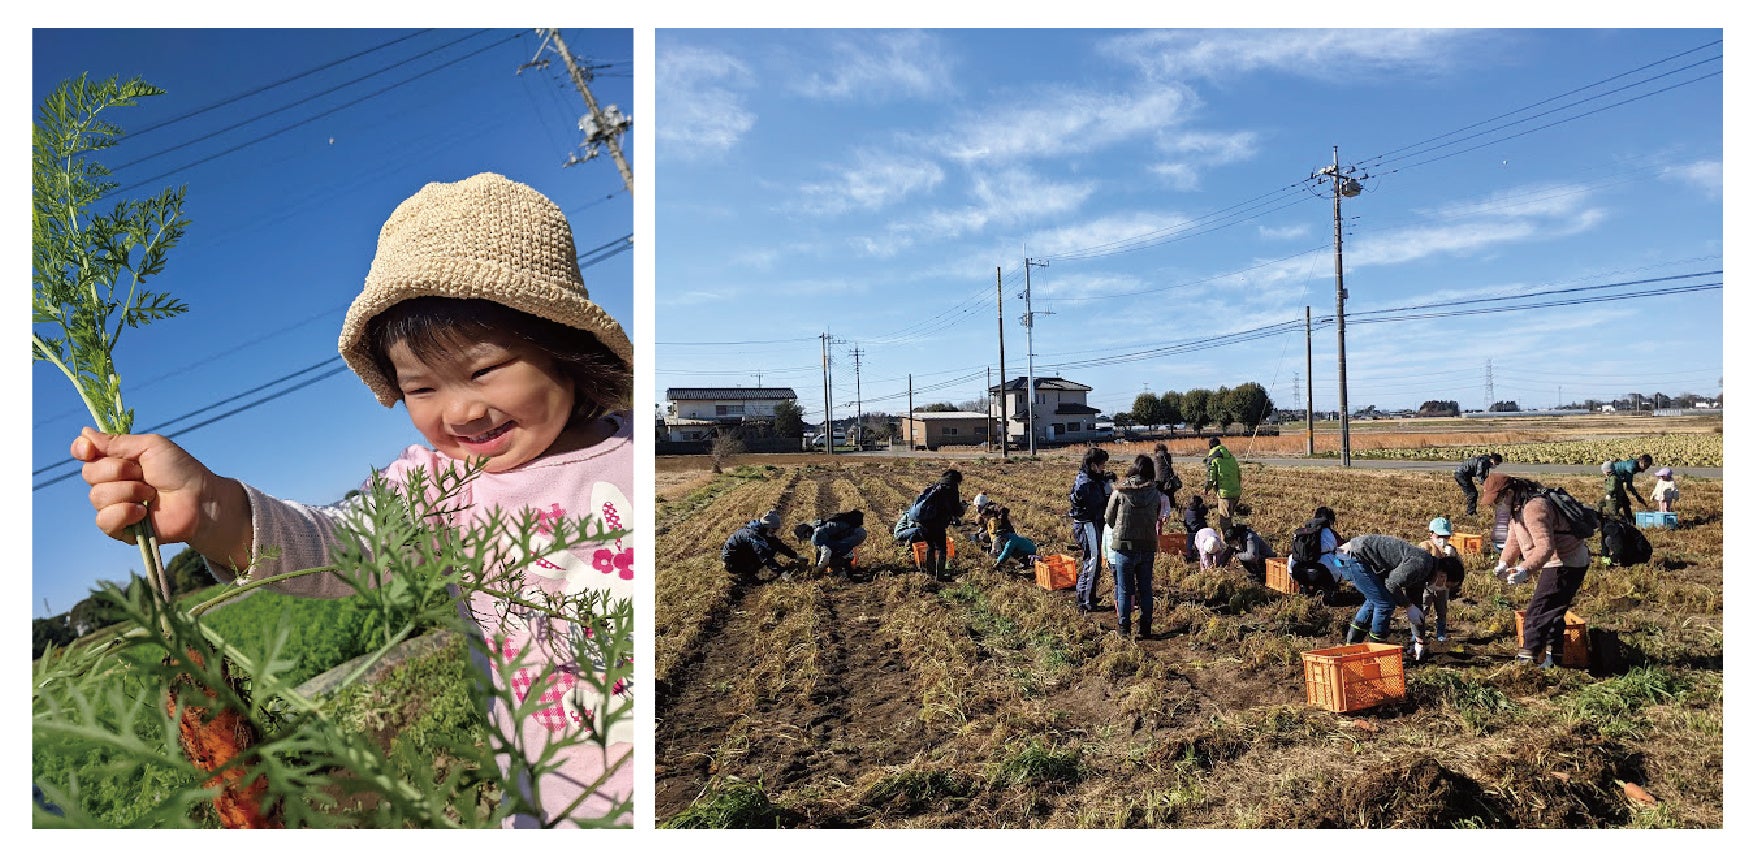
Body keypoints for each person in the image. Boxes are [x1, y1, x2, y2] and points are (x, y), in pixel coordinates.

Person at [71, 173, 633, 826]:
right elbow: (345, 542)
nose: (461, 409)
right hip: (548, 813)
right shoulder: (437, 489)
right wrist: (212, 512)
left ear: (563, 345)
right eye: (421, 388)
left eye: (484, 370)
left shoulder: (634, 458)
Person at [1484, 473, 1591, 667]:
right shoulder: (1517, 508)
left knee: (1538, 613)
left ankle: (1528, 664)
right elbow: (1515, 538)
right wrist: (1504, 562)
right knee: (1552, 613)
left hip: (1565, 562)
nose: (1496, 504)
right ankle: (1554, 660)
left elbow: (1545, 547)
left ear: (1509, 493)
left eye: (1498, 499)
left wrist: (1525, 569)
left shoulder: (1534, 508)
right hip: (1559, 561)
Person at [1333, 534, 1435, 660]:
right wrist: (1408, 606)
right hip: (1350, 558)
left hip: (1348, 557)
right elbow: (1391, 584)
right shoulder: (1421, 564)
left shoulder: (1424, 568)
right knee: (1384, 604)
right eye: (1447, 583)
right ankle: (1376, 652)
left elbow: (1415, 603)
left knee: (1374, 600)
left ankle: (1352, 644)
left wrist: (1420, 640)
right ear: (1444, 573)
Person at [1104, 455, 1162, 638]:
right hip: (1147, 545)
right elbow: (1156, 515)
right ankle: (1146, 627)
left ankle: (1124, 628)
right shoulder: (1154, 493)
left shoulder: (1120, 491)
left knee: (1124, 589)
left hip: (1124, 546)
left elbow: (1108, 518)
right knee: (1145, 588)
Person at [1068, 447, 1114, 611]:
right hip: (1087, 524)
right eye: (1102, 465)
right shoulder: (1086, 484)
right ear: (1093, 465)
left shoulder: (1089, 479)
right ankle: (1084, 601)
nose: (1103, 468)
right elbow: (1100, 502)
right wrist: (1106, 488)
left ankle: (1089, 596)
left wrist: (1103, 480)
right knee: (1092, 560)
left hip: (1091, 523)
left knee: (1094, 561)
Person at [1417, 517, 1464, 647]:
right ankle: (1418, 635)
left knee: (1441, 612)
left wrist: (1451, 556)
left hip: (1443, 589)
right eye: (1440, 535)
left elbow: (1457, 568)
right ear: (1431, 534)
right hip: (1427, 587)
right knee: (1423, 610)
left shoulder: (1451, 550)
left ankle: (1441, 635)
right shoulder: (1425, 546)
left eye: (1446, 536)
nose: (1443, 539)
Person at [913, 469, 966, 580]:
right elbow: (956, 510)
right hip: (936, 523)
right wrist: (962, 508)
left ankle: (930, 571)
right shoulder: (951, 488)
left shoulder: (937, 485)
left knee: (931, 546)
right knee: (941, 548)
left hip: (922, 522)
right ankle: (940, 575)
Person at [726, 510, 801, 578]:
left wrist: (796, 556)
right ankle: (746, 576)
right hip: (732, 561)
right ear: (768, 527)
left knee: (772, 547)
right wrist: (781, 572)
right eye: (774, 530)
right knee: (761, 559)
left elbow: (778, 545)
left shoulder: (762, 529)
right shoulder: (753, 536)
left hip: (743, 553)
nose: (775, 532)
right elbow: (765, 557)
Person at [1289, 506, 1343, 595]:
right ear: (1329, 521)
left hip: (1298, 570)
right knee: (1338, 559)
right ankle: (1331, 588)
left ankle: (1304, 587)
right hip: (1324, 570)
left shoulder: (1302, 532)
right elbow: (1342, 549)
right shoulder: (1330, 533)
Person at [794, 510, 867, 576]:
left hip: (855, 534)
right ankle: (846, 564)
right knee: (830, 551)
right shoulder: (817, 526)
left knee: (830, 557)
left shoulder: (816, 536)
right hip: (858, 532)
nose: (806, 540)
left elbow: (826, 551)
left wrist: (819, 568)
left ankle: (845, 564)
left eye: (804, 538)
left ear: (806, 534)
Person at [1203, 436, 1244, 534]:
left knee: (1224, 522)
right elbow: (1238, 473)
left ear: (1210, 446)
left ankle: (1227, 544)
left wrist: (1206, 488)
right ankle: (1234, 539)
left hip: (1225, 494)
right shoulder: (1230, 456)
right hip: (1236, 491)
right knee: (1230, 519)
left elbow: (1211, 478)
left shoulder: (1213, 458)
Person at [1602, 454, 1653, 522]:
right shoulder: (1631, 467)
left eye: (1647, 467)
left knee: (1624, 501)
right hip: (1614, 480)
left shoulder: (1636, 465)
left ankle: (1628, 519)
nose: (1645, 468)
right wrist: (1638, 496)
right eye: (1645, 465)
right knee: (1617, 499)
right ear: (1640, 461)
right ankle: (1616, 518)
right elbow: (1629, 486)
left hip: (1619, 480)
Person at [1453, 452, 1504, 516]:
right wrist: (1485, 485)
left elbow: (1485, 475)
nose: (1496, 465)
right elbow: (1479, 475)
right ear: (1493, 460)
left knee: (1473, 493)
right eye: (1497, 463)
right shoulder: (1482, 462)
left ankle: (1471, 511)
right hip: (1461, 474)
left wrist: (1487, 483)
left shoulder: (1486, 462)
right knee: (1472, 493)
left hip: (1465, 475)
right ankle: (1471, 513)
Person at [990, 507, 1038, 572]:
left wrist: (998, 562)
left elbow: (1006, 552)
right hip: (1024, 549)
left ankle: (1026, 563)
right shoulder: (1012, 536)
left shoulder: (1011, 541)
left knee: (1020, 561)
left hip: (1029, 552)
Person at [1151, 442, 1182, 509]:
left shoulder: (1155, 457)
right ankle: (1172, 507)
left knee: (1159, 495)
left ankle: (1160, 507)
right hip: (1167, 478)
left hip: (1157, 479)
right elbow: (1170, 465)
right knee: (1170, 495)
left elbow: (1154, 468)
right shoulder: (1167, 456)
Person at [1181, 494, 1210, 565]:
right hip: (1199, 529)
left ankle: (1189, 556)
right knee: (1201, 543)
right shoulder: (1198, 511)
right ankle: (1201, 554)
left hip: (1190, 530)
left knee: (1189, 543)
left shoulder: (1187, 510)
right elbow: (1205, 512)